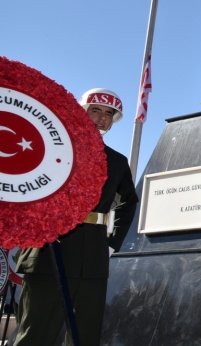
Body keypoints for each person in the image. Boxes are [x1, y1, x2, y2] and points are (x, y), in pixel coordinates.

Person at [14, 89, 139, 346]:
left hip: (93, 258)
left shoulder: (116, 161)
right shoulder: (51, 148)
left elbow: (130, 202)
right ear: (80, 111)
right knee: (36, 335)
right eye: (95, 110)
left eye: (109, 114)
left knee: (85, 337)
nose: (102, 118)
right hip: (49, 252)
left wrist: (112, 243)